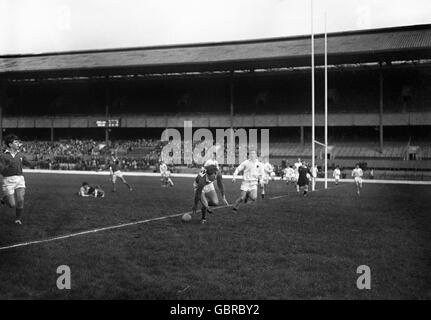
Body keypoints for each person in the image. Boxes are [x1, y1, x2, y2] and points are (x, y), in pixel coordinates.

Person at [0, 134, 48, 225]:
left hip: (20, 179)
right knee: (12, 205)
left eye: (18, 142)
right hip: (8, 181)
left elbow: (29, 164)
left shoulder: (20, 154)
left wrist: (42, 161)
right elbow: (1, 170)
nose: (18, 144)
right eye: (16, 142)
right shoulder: (2, 156)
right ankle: (4, 198)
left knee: (21, 199)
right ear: (10, 144)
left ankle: (18, 219)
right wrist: (7, 166)